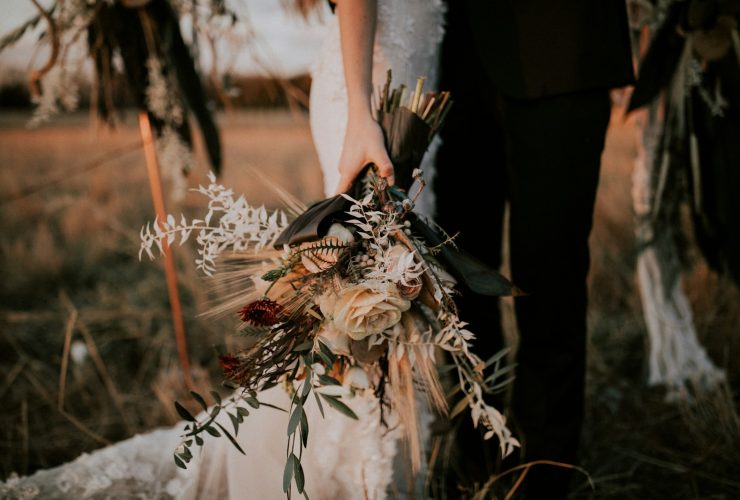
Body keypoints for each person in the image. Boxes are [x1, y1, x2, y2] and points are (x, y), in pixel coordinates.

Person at [1, 0, 446, 498]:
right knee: (366, 285)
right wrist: (362, 113)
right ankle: (355, 468)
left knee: (379, 285)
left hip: (399, 87)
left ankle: (373, 456)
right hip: (374, 96)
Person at [432, 1, 634, 498]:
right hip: (444, 53)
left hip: (560, 43)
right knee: (454, 273)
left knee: (551, 274)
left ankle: (545, 473)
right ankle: (475, 451)